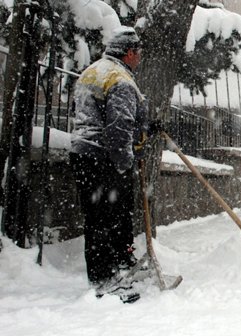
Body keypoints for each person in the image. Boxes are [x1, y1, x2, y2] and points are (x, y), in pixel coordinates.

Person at [70, 26, 148, 303]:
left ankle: (121, 262)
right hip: (103, 157)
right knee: (106, 217)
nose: (139, 59)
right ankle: (104, 280)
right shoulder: (121, 79)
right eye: (138, 53)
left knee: (106, 215)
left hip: (84, 153)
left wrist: (147, 125)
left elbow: (92, 113)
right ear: (129, 53)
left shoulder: (93, 71)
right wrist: (124, 163)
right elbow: (119, 126)